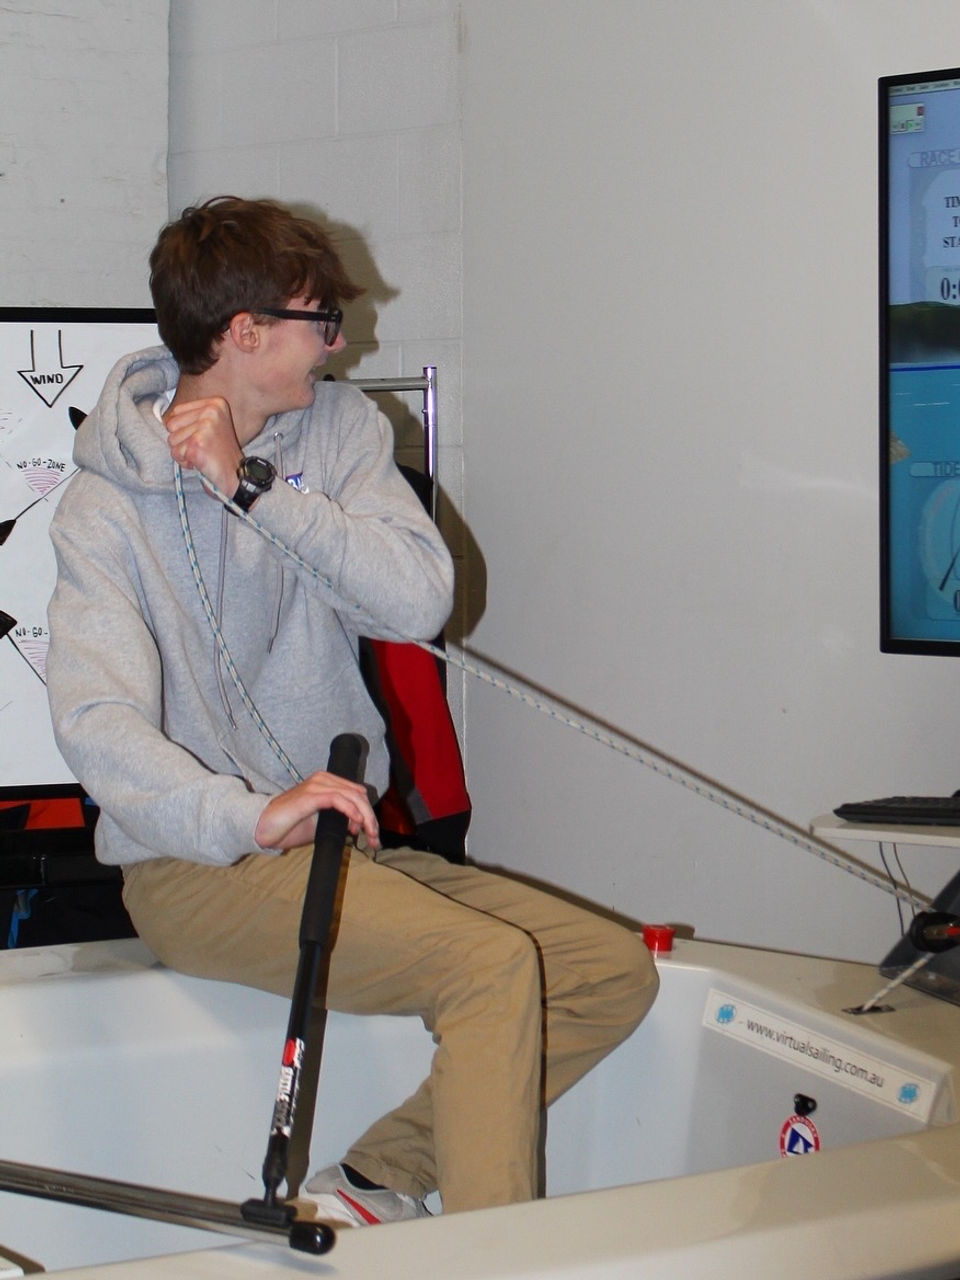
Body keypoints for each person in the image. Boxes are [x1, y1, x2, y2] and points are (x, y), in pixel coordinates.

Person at [46, 196, 659, 1227]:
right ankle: (492, 1262)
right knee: (490, 963)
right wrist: (248, 814)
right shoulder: (105, 505)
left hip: (341, 849)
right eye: (320, 321)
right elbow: (97, 721)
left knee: (607, 973)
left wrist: (254, 488)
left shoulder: (339, 432)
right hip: (195, 867)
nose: (341, 340)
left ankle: (376, 1176)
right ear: (242, 334)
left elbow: (416, 600)